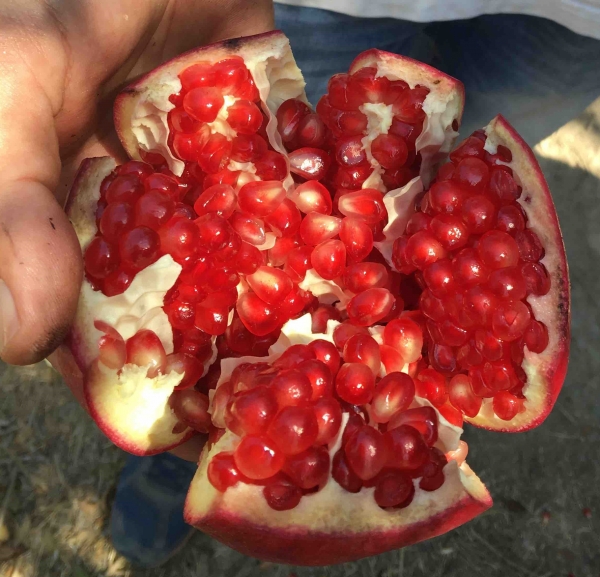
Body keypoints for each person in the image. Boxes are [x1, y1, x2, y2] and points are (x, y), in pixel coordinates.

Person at [0, 0, 598, 568]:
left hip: (570, 24)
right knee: (168, 417)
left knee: (461, 135)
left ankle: (212, 432)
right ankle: (180, 461)